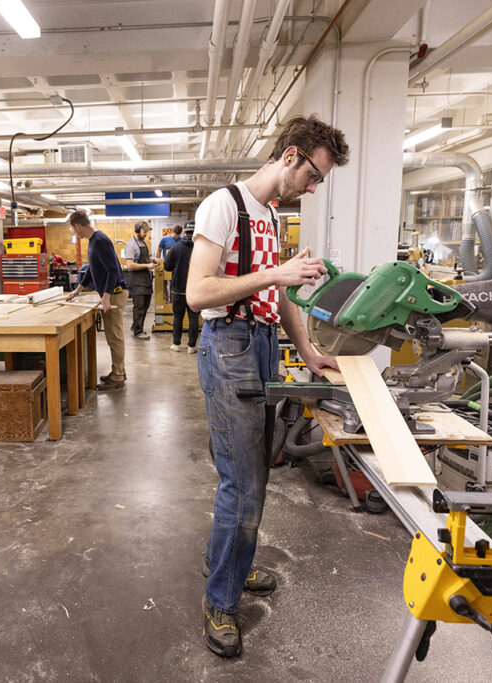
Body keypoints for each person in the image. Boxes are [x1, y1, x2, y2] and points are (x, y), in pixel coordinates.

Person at [186, 114, 350, 658]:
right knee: (244, 481)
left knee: (253, 466)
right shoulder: (223, 205)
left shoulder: (271, 215)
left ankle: (228, 563)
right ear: (290, 156)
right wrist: (274, 275)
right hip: (228, 344)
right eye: (314, 175)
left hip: (258, 344)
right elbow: (198, 293)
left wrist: (307, 351)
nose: (313, 186)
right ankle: (220, 600)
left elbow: (277, 295)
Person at [67, 210, 129, 390]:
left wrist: (106, 297)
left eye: (73, 229)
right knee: (112, 336)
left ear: (78, 226)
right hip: (110, 293)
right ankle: (118, 371)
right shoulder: (93, 241)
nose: (74, 232)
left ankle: (118, 377)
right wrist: (78, 289)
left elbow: (112, 271)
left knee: (114, 336)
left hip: (116, 293)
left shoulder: (100, 241)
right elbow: (92, 270)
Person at [164, 222, 199, 353]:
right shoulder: (200, 248)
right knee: (194, 318)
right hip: (195, 290)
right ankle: (191, 346)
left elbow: (167, 267)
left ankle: (176, 344)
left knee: (178, 317)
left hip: (177, 289)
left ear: (184, 232)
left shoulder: (175, 247)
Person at [124, 220, 158, 340]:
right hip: (137, 281)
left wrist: (152, 261)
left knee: (146, 305)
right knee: (139, 307)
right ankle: (138, 331)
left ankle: (135, 326)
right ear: (138, 231)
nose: (146, 234)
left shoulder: (143, 243)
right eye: (144, 232)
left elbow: (146, 259)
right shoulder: (131, 245)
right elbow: (130, 265)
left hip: (146, 280)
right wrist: (147, 266)